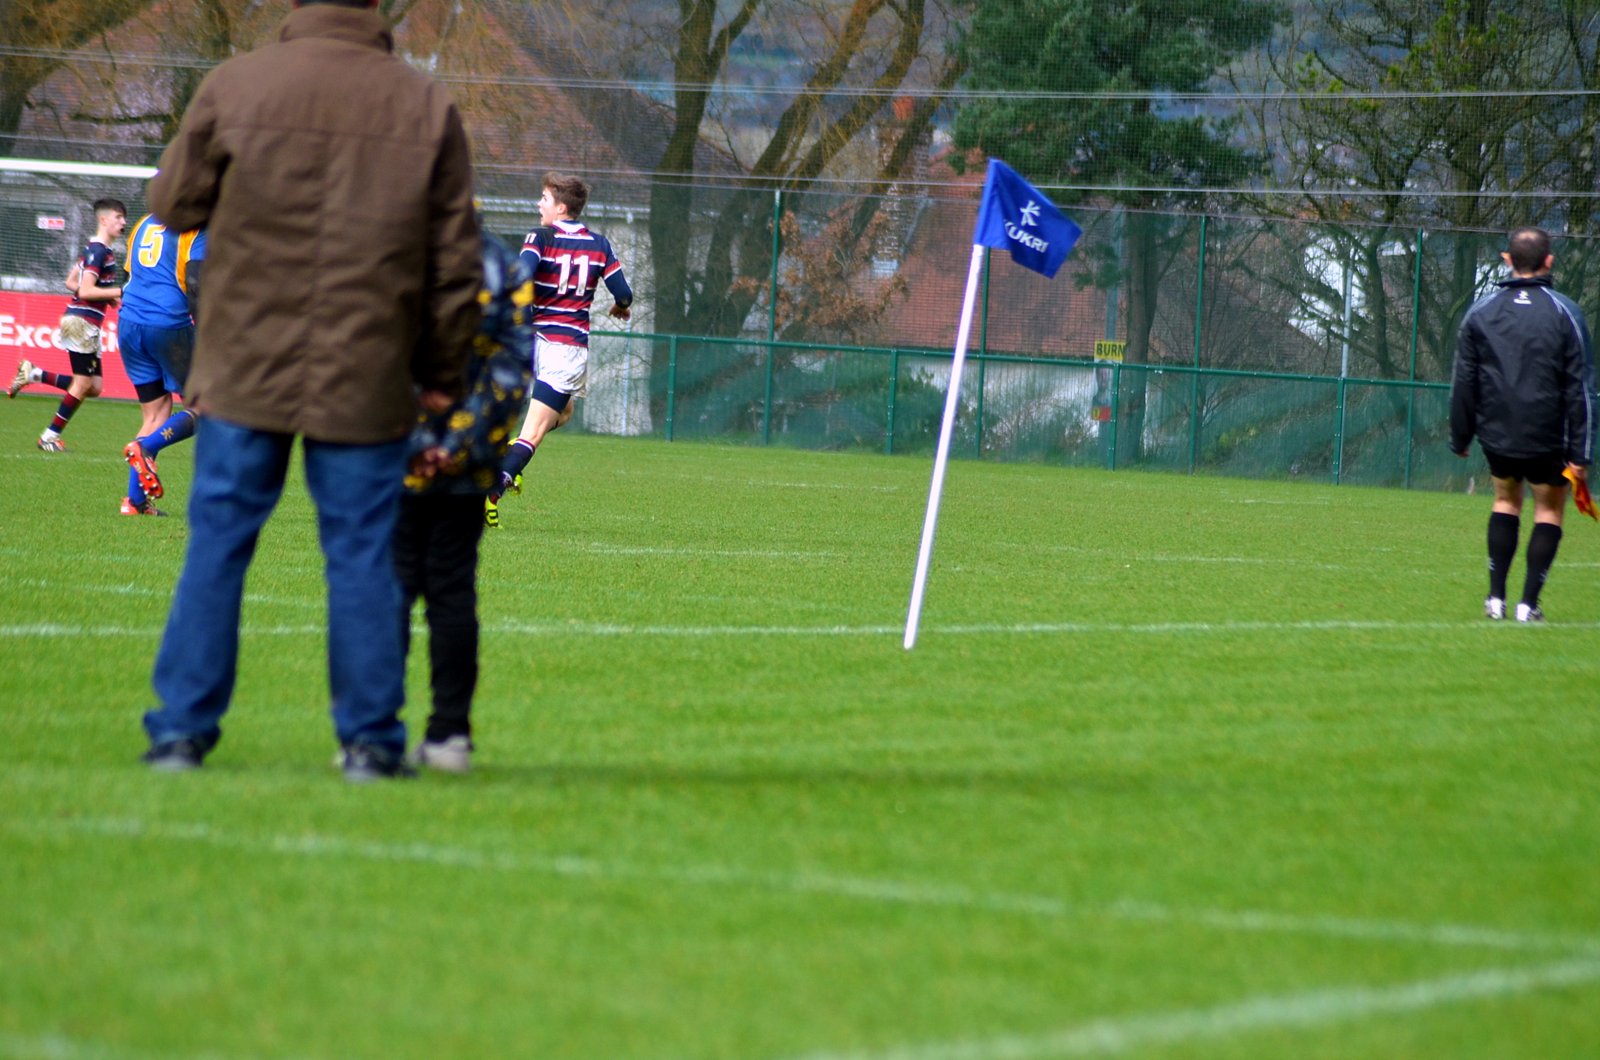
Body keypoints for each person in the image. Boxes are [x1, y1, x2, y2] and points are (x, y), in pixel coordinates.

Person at [138, 0, 482, 781]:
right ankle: (369, 742)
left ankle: (180, 734)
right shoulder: (422, 102)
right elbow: (455, 264)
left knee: (218, 544)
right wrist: (440, 374)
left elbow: (171, 204)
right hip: (367, 367)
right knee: (362, 554)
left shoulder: (237, 84)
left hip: (243, 362)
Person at [398, 228, 533, 773]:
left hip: (390, 455)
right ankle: (450, 734)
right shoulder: (501, 262)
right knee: (452, 589)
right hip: (469, 461)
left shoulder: (386, 246)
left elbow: (363, 351)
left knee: (385, 589)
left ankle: (372, 730)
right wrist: (457, 446)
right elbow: (512, 368)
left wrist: (412, 444)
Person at [1450, 226, 1594, 623]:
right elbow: (1580, 388)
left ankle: (1495, 599)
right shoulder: (1567, 312)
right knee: (1548, 510)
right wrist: (1582, 452)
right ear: (1549, 261)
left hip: (1498, 434)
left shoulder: (1481, 311)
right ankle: (1527, 605)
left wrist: (1460, 435)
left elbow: (1464, 381)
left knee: (1505, 501)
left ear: (1507, 259)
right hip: (1549, 436)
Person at [485, 172, 632, 528]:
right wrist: (620, 306)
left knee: (563, 412)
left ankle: (507, 459)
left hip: (532, 343)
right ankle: (491, 487)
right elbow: (624, 294)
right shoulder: (600, 245)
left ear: (561, 207)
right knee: (533, 433)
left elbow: (521, 276)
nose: (540, 204)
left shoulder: (540, 237)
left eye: (545, 199)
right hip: (564, 349)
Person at [7, 198, 127, 451]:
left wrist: (107, 296)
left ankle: (35, 374)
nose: (123, 222)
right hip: (82, 321)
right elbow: (85, 290)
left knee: (94, 387)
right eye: (118, 217)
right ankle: (49, 437)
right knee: (83, 384)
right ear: (103, 219)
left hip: (83, 321)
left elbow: (71, 282)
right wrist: (120, 291)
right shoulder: (99, 252)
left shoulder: (93, 249)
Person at [116, 211, 207, 517]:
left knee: (155, 412)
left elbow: (128, 275)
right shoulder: (196, 226)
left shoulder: (144, 222)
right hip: (168, 323)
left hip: (129, 322)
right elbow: (196, 283)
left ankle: (134, 502)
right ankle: (147, 448)